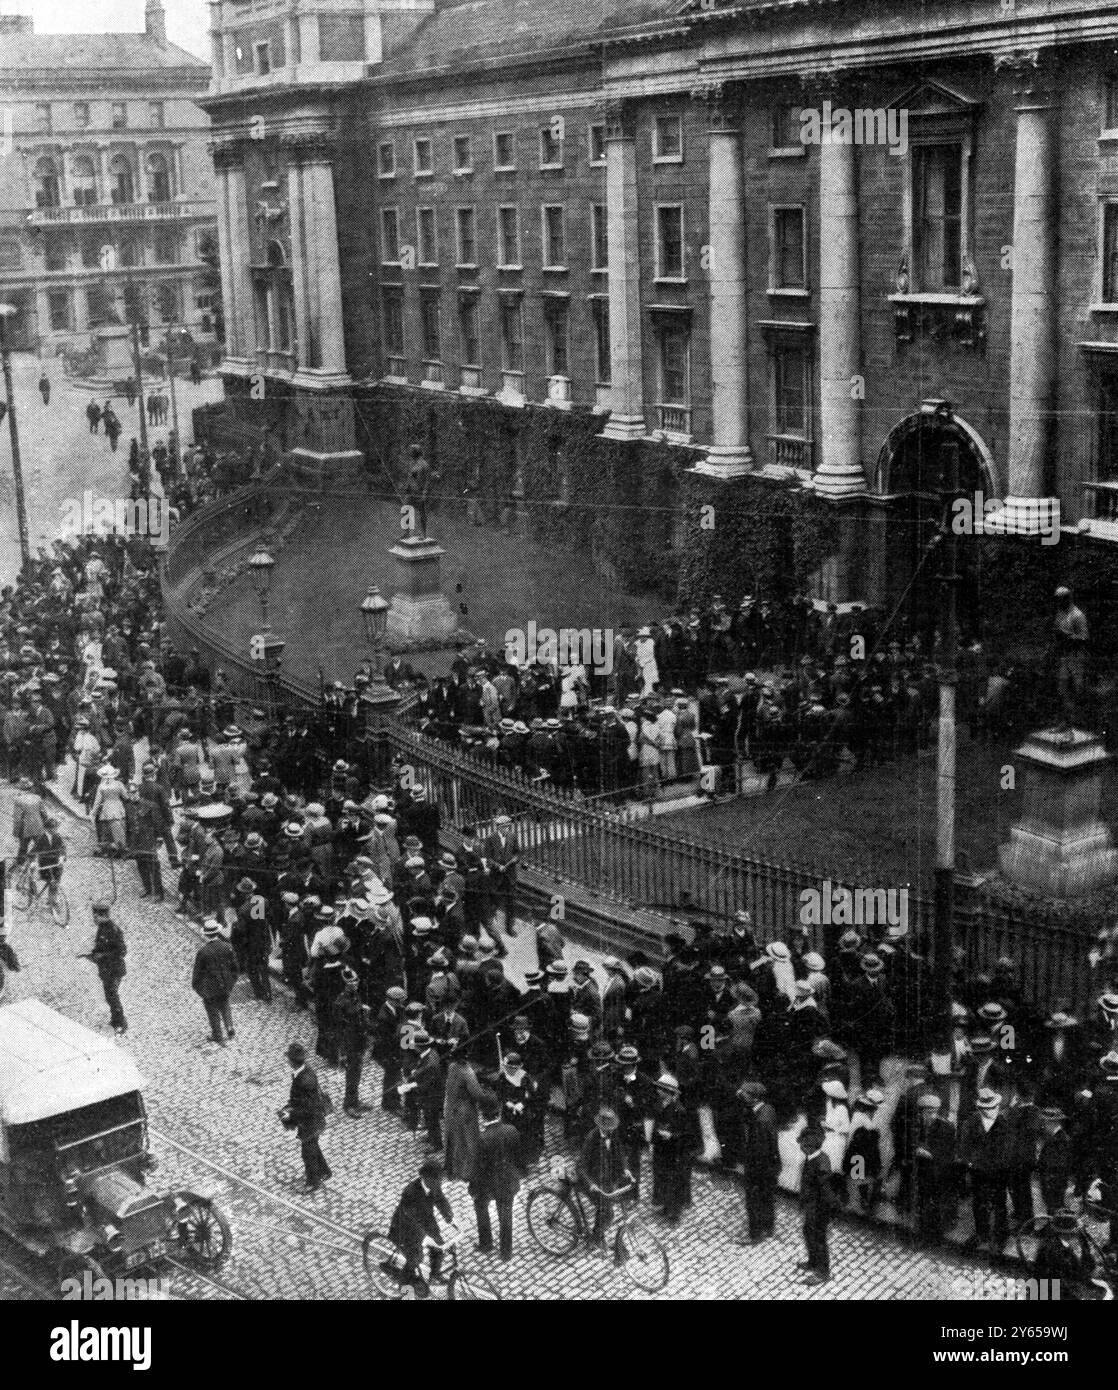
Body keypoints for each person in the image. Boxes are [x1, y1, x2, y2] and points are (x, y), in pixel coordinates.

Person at [387, 1157, 455, 1298]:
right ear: (425, 1177)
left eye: (439, 1179)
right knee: (415, 1258)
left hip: (422, 1226)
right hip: (404, 1229)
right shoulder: (410, 1192)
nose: (439, 1183)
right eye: (436, 1180)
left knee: (439, 1247)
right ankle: (404, 1289)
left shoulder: (433, 1186)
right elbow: (418, 1218)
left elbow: (441, 1200)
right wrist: (432, 1234)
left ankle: (435, 1274)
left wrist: (448, 1215)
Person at [470, 1093, 523, 1261]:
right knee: (506, 1214)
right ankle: (506, 1252)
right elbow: (519, 1157)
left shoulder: (482, 1138)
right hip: (509, 1181)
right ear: (499, 1111)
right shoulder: (511, 1130)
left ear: (482, 1114)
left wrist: (473, 1187)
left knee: (480, 1205)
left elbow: (479, 1168)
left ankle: (486, 1243)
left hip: (490, 1184)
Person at [577, 1105, 635, 1248]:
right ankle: (595, 1238)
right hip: (591, 1180)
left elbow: (620, 1153)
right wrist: (591, 1184)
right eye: (607, 1128)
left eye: (612, 1128)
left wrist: (625, 1169)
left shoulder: (612, 1134)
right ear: (600, 1126)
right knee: (608, 1212)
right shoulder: (591, 1138)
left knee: (606, 1206)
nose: (610, 1131)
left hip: (607, 1178)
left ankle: (598, 1234)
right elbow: (581, 1167)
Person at [281, 1041, 332, 1192]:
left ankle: (313, 1182)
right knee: (312, 1145)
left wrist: (290, 1114)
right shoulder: (304, 1071)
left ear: (291, 1061)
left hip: (310, 1121)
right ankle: (324, 1171)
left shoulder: (304, 1080)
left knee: (307, 1152)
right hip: (313, 1119)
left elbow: (307, 1108)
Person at [736, 1081, 780, 1246]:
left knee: (753, 1199)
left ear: (754, 1098)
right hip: (770, 1164)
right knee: (766, 1196)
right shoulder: (768, 1109)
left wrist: (750, 1168)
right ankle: (768, 1227)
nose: (742, 1095)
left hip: (758, 1166)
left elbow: (759, 1149)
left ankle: (755, 1234)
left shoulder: (760, 1121)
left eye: (745, 1094)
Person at [797, 1124, 838, 1285]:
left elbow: (826, 1192)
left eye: (803, 1145)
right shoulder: (813, 1157)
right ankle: (813, 1261)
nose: (801, 1147)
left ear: (811, 1146)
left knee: (818, 1238)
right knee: (808, 1232)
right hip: (811, 1206)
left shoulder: (820, 1163)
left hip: (819, 1209)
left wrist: (826, 1211)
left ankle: (823, 1272)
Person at [649, 1073, 692, 1224]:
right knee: (663, 1180)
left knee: (674, 1182)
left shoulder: (679, 1110)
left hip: (674, 1153)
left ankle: (674, 1214)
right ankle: (666, 1206)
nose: (658, 1091)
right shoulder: (660, 1105)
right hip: (662, 1150)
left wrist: (672, 1136)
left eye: (661, 1089)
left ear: (668, 1092)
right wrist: (653, 1142)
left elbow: (686, 1135)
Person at [191, 917, 238, 1045]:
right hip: (225, 985)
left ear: (206, 934)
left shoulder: (203, 952)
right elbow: (235, 968)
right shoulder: (227, 947)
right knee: (225, 1005)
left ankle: (217, 1035)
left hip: (210, 988)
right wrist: (230, 983)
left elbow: (197, 974)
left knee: (213, 1011)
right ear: (217, 932)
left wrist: (199, 989)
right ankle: (229, 1027)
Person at [84, 901, 127, 1035]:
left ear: (103, 916)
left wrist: (102, 955)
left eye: (95, 917)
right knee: (110, 996)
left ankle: (120, 1023)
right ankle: (116, 1020)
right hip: (106, 970)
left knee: (112, 996)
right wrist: (93, 954)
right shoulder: (102, 927)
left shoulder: (114, 930)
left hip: (114, 970)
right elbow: (101, 947)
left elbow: (122, 951)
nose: (94, 920)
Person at [335, 967, 371, 1115]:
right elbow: (339, 1029)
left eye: (356, 981)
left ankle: (355, 1100)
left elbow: (357, 1013)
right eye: (351, 982)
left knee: (357, 1072)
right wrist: (342, 1051)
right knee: (352, 1074)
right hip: (350, 1042)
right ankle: (349, 1104)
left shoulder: (355, 995)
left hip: (359, 1039)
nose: (355, 984)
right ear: (345, 984)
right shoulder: (341, 1002)